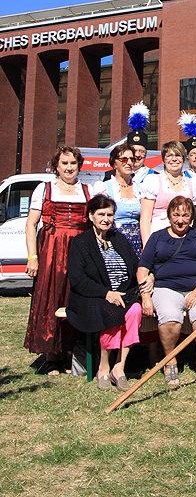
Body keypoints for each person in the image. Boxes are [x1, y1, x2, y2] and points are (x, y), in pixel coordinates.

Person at [24, 145, 92, 373]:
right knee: (52, 298)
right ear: (56, 166)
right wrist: (32, 257)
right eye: (64, 163)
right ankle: (52, 355)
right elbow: (31, 225)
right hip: (51, 252)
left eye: (73, 163)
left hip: (79, 253)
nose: (69, 167)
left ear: (79, 165)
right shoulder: (44, 189)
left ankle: (70, 353)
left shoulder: (87, 190)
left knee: (74, 297)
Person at [138, 196, 196, 386]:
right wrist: (145, 296)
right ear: (169, 216)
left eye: (185, 215)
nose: (180, 220)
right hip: (166, 288)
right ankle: (170, 360)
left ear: (191, 217)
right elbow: (142, 269)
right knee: (170, 317)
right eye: (176, 215)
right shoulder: (157, 237)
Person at [66, 194, 142, 391]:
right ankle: (103, 367)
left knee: (134, 311)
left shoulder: (120, 239)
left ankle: (119, 367)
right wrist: (107, 293)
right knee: (112, 311)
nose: (106, 219)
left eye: (109, 214)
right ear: (91, 216)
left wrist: (147, 278)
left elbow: (136, 266)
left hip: (123, 293)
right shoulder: (81, 242)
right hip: (93, 296)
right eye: (101, 214)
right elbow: (77, 279)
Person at [140, 141, 196, 245]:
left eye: (178, 155)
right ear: (163, 159)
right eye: (169, 155)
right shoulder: (153, 181)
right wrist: (147, 246)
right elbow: (145, 218)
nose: (174, 159)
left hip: (184, 239)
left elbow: (193, 218)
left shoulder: (192, 183)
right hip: (158, 238)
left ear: (183, 159)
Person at [94, 144, 142, 257]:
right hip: (113, 240)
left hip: (137, 242)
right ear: (115, 163)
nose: (129, 162)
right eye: (124, 159)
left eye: (132, 159)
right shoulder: (104, 187)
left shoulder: (140, 188)